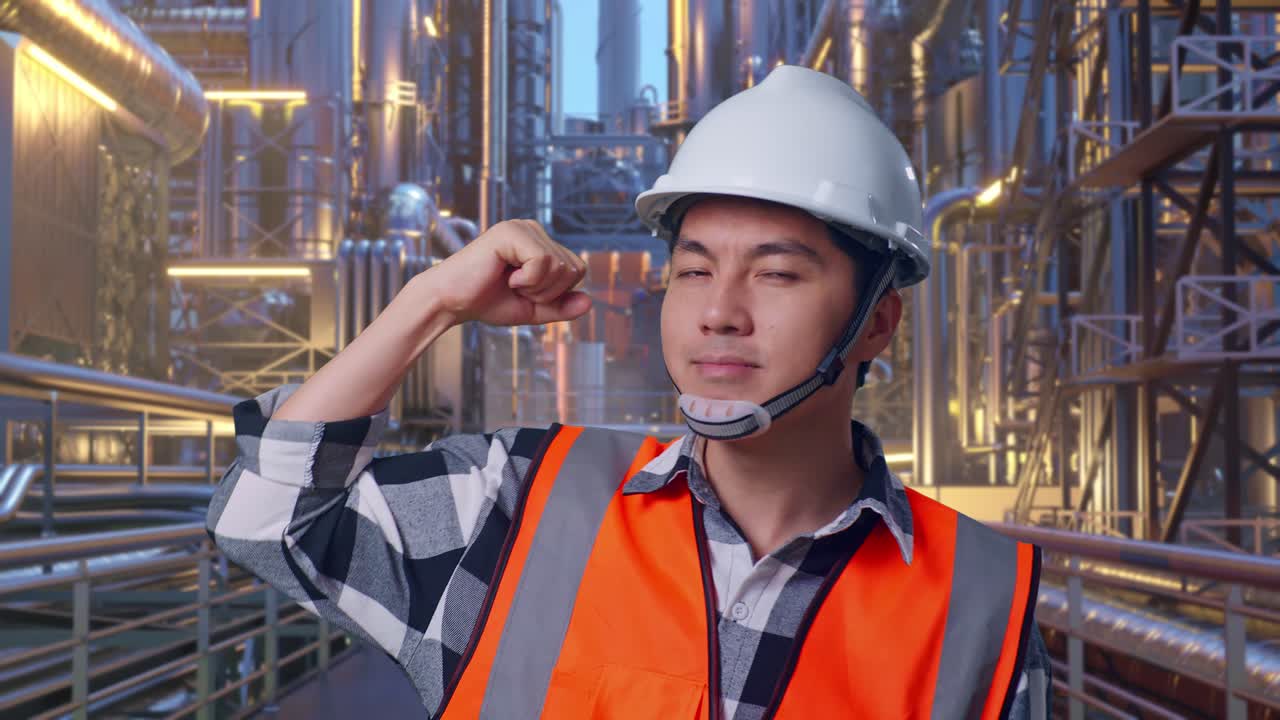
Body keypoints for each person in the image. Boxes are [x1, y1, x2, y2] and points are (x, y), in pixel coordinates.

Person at [207, 65, 1051, 719]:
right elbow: (265, 518)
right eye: (693, 270)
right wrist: (430, 302)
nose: (720, 313)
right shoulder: (517, 504)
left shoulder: (979, 599)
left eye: (779, 273)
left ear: (877, 322)